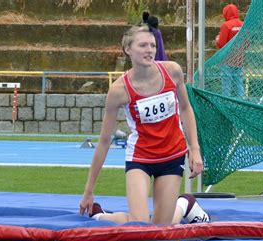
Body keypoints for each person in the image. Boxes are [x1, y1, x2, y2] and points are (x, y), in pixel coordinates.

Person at [79, 25, 209, 225]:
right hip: (141, 157)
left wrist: (195, 149)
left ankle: (184, 205)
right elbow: (104, 141)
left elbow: (185, 109)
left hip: (172, 155)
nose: (149, 50)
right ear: (128, 49)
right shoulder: (119, 90)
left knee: (160, 228)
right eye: (142, 45)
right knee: (139, 226)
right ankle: (99, 214)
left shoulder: (172, 71)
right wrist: (89, 190)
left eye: (152, 45)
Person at [215, 3, 244, 98]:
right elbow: (247, 42)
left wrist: (217, 40)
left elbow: (222, 43)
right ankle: (241, 102)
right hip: (239, 59)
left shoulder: (226, 25)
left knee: (226, 84)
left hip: (227, 59)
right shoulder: (242, 24)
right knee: (239, 82)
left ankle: (226, 101)